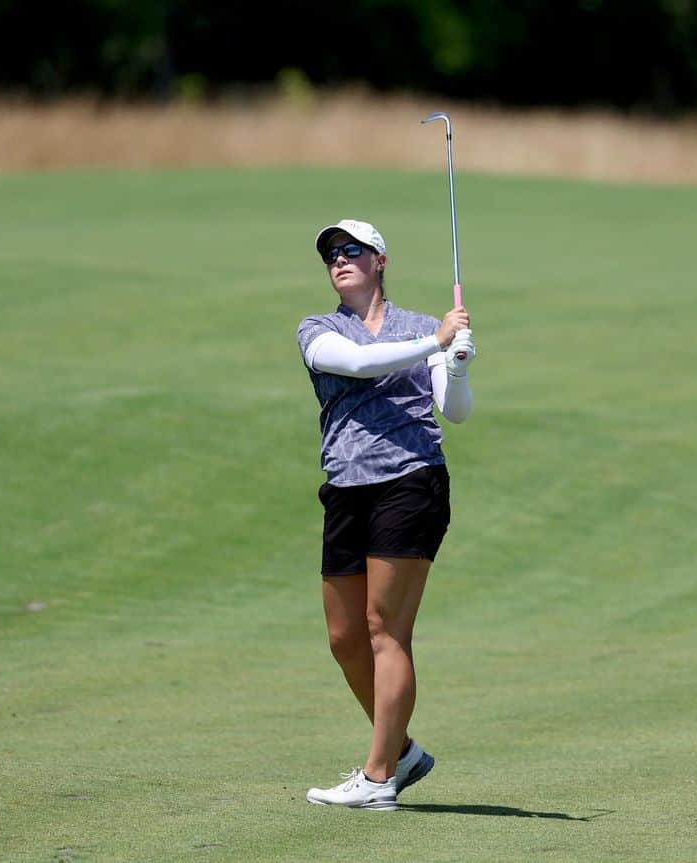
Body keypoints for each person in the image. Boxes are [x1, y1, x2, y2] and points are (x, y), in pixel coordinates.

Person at [296, 219, 475, 812]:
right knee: (345, 637)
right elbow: (356, 364)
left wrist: (458, 363)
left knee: (384, 629)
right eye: (331, 256)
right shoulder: (318, 330)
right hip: (345, 487)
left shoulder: (426, 327)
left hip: (411, 482)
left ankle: (377, 779)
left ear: (380, 260)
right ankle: (400, 752)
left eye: (352, 251)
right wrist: (436, 343)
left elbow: (455, 412)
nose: (339, 260)